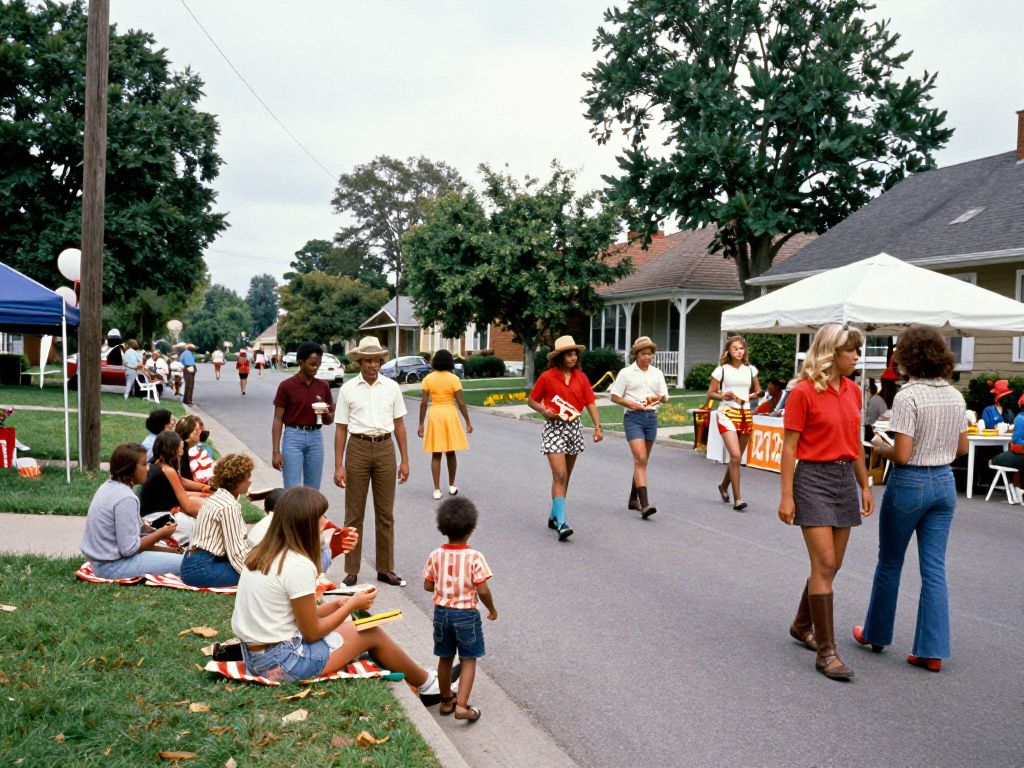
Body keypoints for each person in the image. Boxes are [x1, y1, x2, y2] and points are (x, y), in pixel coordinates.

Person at [230, 487, 455, 698]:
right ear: (305, 524)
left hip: (257, 658)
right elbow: (311, 633)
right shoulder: (298, 565)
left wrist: (336, 606)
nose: (327, 522)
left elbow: (289, 615)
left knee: (354, 628)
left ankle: (422, 680)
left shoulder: (264, 553)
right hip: (282, 664)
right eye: (322, 516)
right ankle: (429, 686)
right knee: (370, 633)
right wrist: (351, 605)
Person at [854, 326, 969, 673]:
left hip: (910, 482)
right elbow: (962, 448)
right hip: (944, 483)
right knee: (934, 568)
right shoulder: (955, 395)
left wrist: (878, 445)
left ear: (907, 357)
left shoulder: (907, 396)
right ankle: (931, 649)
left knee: (890, 561)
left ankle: (876, 633)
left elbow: (901, 454)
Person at [778, 324, 874, 681]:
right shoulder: (803, 393)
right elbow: (789, 448)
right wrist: (787, 495)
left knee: (832, 567)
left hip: (845, 478)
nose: (857, 357)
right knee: (826, 561)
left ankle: (802, 623)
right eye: (851, 350)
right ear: (831, 352)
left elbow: (855, 441)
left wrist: (865, 486)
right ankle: (826, 653)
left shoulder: (853, 391)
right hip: (813, 480)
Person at [333, 336, 410, 587]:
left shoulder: (391, 387)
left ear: (380, 361)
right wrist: (338, 465)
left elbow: (399, 424)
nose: (372, 365)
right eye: (367, 360)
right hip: (357, 448)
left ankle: (385, 568)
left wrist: (404, 460)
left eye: (376, 360)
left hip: (386, 447)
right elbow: (341, 429)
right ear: (359, 362)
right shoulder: (348, 389)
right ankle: (352, 569)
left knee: (385, 513)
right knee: (353, 513)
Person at [423, 497, 496, 723]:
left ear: (442, 528)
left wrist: (444, 585)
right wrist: (492, 609)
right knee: (468, 658)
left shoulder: (436, 555)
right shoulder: (474, 557)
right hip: (466, 614)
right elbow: (482, 589)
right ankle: (462, 706)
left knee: (445, 657)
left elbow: (427, 585)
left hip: (441, 613)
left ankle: (446, 701)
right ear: (472, 529)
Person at [527, 335, 603, 541]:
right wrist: (544, 409)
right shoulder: (547, 377)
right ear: (560, 357)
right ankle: (562, 523)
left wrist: (597, 426)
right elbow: (531, 400)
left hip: (574, 428)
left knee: (565, 476)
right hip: (554, 428)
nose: (573, 357)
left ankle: (553, 515)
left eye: (575, 354)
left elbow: (590, 403)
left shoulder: (582, 377)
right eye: (569, 354)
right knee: (560, 474)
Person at [81, 443, 183, 578]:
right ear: (129, 469)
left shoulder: (108, 486)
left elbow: (136, 536)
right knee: (189, 564)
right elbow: (129, 549)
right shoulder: (126, 498)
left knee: (177, 556)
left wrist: (169, 550)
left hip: (101, 563)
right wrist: (160, 534)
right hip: (113, 567)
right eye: (143, 464)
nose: (148, 468)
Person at [608, 336, 669, 519]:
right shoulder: (626, 373)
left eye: (650, 354)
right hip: (633, 418)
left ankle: (632, 499)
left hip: (651, 418)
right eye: (644, 354)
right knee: (640, 458)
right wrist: (632, 405)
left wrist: (658, 397)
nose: (647, 357)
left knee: (642, 461)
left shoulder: (657, 373)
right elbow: (614, 396)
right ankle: (645, 505)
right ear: (635, 354)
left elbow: (665, 397)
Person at [179, 454, 255, 588]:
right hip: (203, 569)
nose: (251, 480)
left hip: (192, 563)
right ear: (237, 480)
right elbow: (236, 552)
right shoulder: (229, 506)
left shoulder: (218, 497)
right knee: (264, 574)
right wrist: (254, 573)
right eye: (248, 476)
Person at [708, 335, 762, 511]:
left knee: (735, 459)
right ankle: (738, 499)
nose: (739, 351)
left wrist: (755, 394)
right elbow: (711, 393)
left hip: (745, 413)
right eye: (735, 349)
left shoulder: (750, 370)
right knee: (736, 456)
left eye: (741, 348)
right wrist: (724, 395)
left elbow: (758, 388)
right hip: (727, 413)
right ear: (729, 352)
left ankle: (723, 486)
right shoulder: (721, 370)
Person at [272, 342, 335, 489]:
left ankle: (311, 513)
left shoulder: (323, 386)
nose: (316, 368)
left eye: (318, 365)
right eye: (312, 364)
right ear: (301, 362)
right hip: (293, 437)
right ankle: (292, 513)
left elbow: (329, 420)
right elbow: (277, 419)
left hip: (315, 437)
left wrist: (325, 413)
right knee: (291, 487)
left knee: (313, 489)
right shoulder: (286, 386)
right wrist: (276, 451)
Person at [417, 349, 473, 500]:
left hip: (435, 414)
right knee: (450, 452)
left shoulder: (428, 379)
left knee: (436, 453)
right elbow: (460, 402)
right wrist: (468, 421)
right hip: (449, 414)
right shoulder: (453, 379)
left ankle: (436, 489)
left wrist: (421, 424)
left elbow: (423, 403)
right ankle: (452, 485)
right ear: (449, 362)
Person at [140, 431, 208, 546]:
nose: (182, 449)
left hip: (150, 514)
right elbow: (187, 505)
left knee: (202, 500)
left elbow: (181, 482)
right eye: (180, 447)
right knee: (203, 522)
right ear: (173, 449)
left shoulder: (157, 464)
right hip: (158, 518)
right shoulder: (168, 470)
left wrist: (204, 489)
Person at [991, 394, 1024, 501]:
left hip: (1020, 455)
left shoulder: (1020, 418)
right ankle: (1017, 491)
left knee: (993, 461)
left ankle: (1016, 490)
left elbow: (1016, 440)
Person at [175, 416, 213, 490]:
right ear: (187, 432)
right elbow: (184, 481)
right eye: (197, 430)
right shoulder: (181, 453)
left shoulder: (191, 449)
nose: (201, 433)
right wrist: (207, 488)